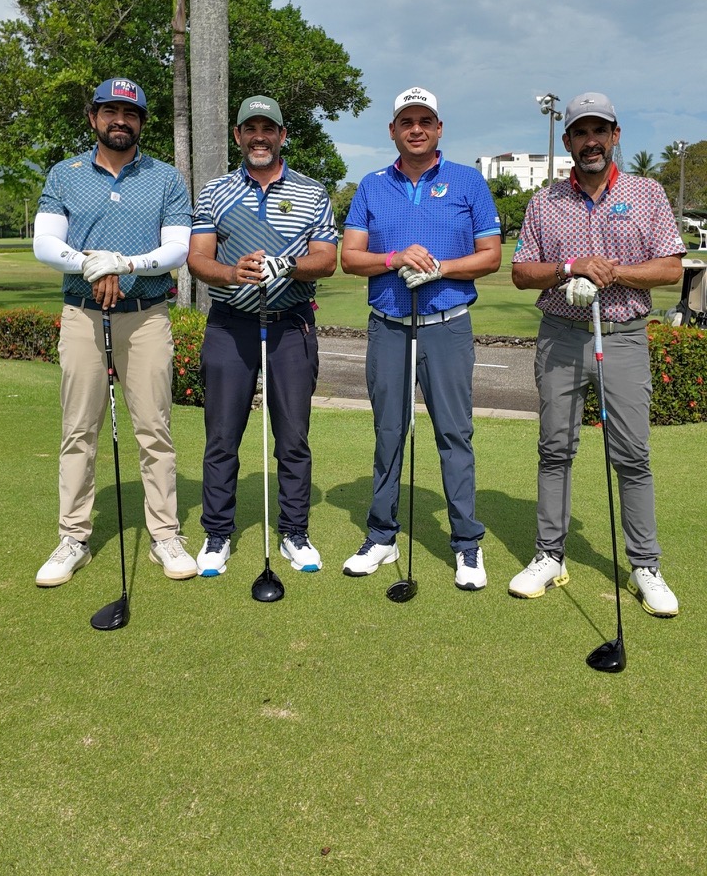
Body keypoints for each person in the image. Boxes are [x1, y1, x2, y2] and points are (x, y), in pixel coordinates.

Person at [510, 91, 684, 616]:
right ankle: (549, 555)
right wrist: (569, 267)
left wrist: (611, 270)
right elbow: (522, 272)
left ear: (615, 136)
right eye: (580, 133)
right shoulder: (545, 202)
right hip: (561, 336)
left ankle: (644, 565)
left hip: (624, 335)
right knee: (554, 450)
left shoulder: (647, 193)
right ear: (567, 141)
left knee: (632, 455)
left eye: (599, 131)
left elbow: (671, 268)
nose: (591, 141)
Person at [33, 78, 198, 586]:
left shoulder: (165, 178)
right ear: (94, 118)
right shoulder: (66, 174)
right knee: (78, 428)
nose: (119, 120)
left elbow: (177, 249)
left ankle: (165, 533)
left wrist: (124, 262)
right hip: (82, 314)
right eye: (109, 112)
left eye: (130, 113)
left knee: (154, 429)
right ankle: (73, 537)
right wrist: (92, 265)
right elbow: (44, 242)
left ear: (142, 122)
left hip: (146, 315)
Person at [341, 86, 502, 589]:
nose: (416, 128)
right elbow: (351, 256)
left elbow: (491, 256)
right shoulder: (371, 185)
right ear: (392, 130)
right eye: (406, 121)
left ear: (438, 129)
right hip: (389, 326)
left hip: (448, 326)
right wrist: (393, 259)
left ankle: (466, 544)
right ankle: (382, 536)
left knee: (454, 434)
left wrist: (439, 267)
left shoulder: (467, 181)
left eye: (425, 121)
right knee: (389, 432)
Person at [187, 94, 338, 577]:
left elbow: (327, 259)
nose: (259, 136)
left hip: (291, 324)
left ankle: (295, 533)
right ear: (238, 136)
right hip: (231, 325)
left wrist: (287, 265)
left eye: (267, 128)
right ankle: (217, 534)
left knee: (293, 436)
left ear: (282, 135)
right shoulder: (214, 192)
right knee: (222, 436)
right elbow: (198, 259)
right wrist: (233, 274)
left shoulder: (313, 192)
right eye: (250, 128)